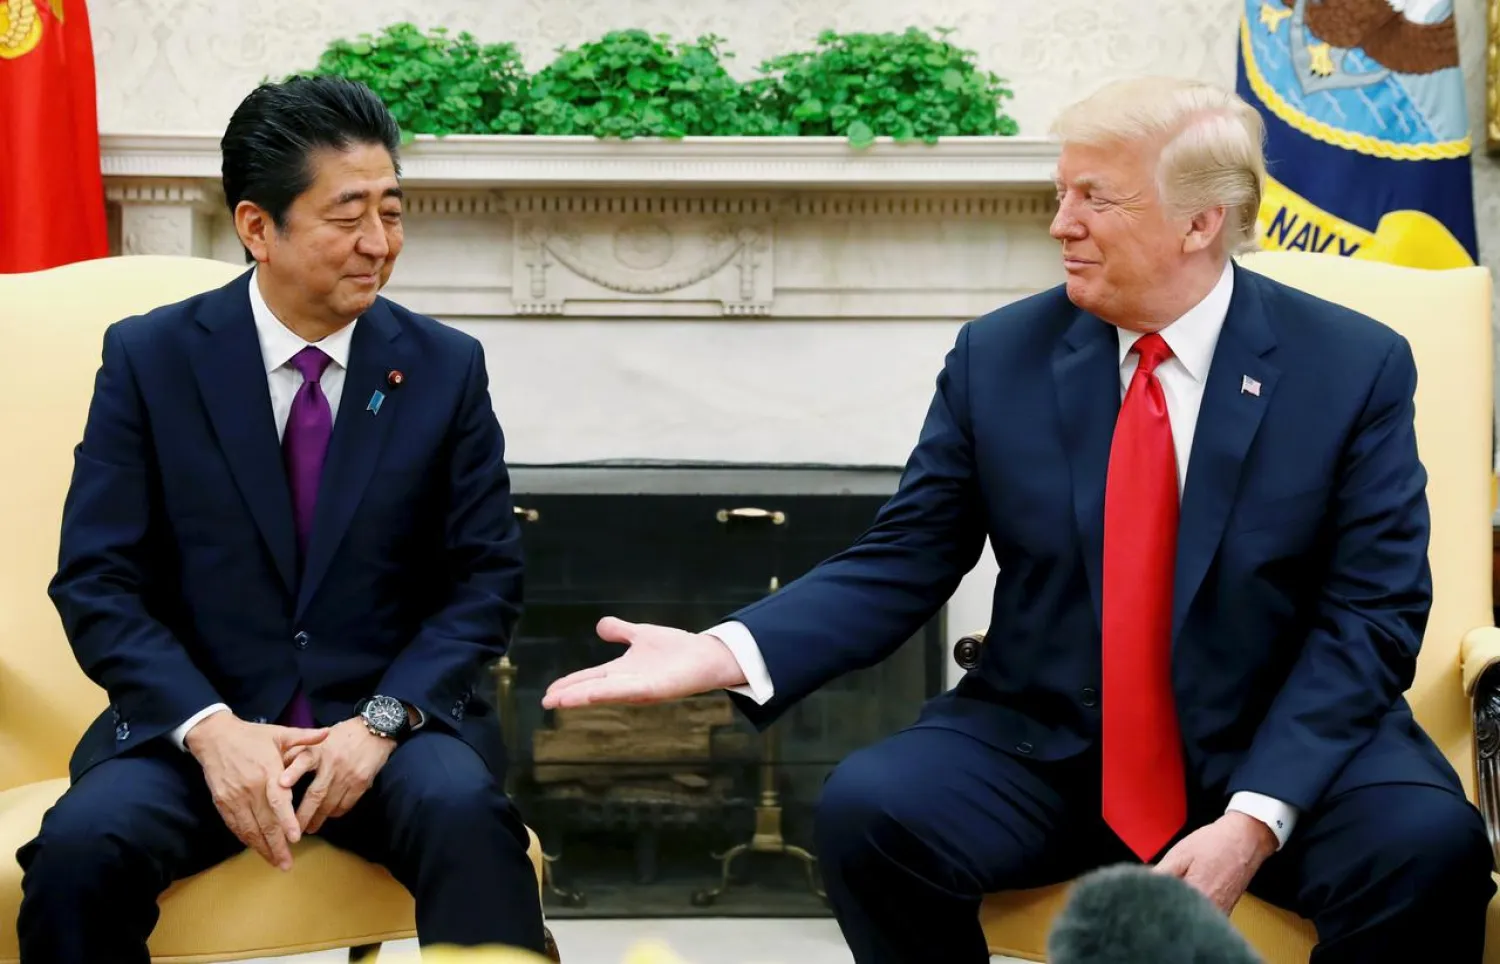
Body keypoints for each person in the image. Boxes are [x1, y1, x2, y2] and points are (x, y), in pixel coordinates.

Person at [543, 76, 1495, 963]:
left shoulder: (1351, 368)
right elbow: (906, 557)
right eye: (1059, 192)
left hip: (1285, 744)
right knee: (872, 811)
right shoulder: (999, 357)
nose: (1059, 225)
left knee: (1428, 848)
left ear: (1201, 221)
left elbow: (1371, 616)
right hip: (1055, 744)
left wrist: (1253, 819)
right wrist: (724, 652)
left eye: (1093, 198)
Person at [18, 75, 548, 961]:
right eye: (348, 216)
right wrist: (210, 729)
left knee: (469, 822)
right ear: (258, 228)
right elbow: (98, 580)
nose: (378, 244)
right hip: (194, 733)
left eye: (392, 210)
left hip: (385, 731)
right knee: (81, 851)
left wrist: (379, 724)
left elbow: (485, 580)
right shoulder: (152, 359)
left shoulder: (444, 367)